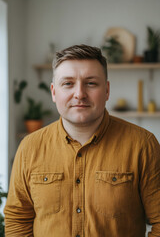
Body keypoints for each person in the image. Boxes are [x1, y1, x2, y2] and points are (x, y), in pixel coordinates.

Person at [4, 44, 160, 237]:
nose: (79, 94)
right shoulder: (30, 147)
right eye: (68, 83)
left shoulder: (142, 145)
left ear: (107, 90)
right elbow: (18, 220)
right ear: (54, 92)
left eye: (91, 83)